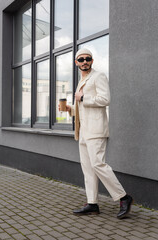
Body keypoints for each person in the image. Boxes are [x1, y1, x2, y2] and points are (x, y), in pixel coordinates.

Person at [59, 48, 133, 219]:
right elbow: (83, 109)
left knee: (98, 164)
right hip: (84, 132)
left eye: (88, 58)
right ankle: (92, 203)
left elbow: (105, 99)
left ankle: (124, 197)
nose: (85, 61)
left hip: (97, 130)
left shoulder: (98, 76)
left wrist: (83, 99)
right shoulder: (81, 81)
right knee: (88, 169)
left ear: (92, 61)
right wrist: (70, 109)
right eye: (81, 59)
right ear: (76, 62)